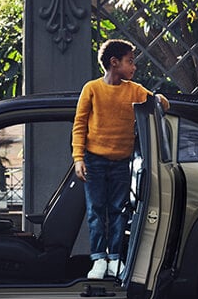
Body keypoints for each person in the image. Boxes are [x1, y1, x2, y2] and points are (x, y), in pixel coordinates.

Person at [72, 39, 167, 280]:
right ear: (114, 63)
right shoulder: (92, 89)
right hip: (94, 160)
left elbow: (156, 102)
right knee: (96, 211)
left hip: (121, 162)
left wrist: (160, 100)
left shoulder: (133, 90)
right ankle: (98, 260)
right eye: (130, 62)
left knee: (118, 211)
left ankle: (114, 258)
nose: (134, 67)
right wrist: (78, 158)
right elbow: (79, 125)